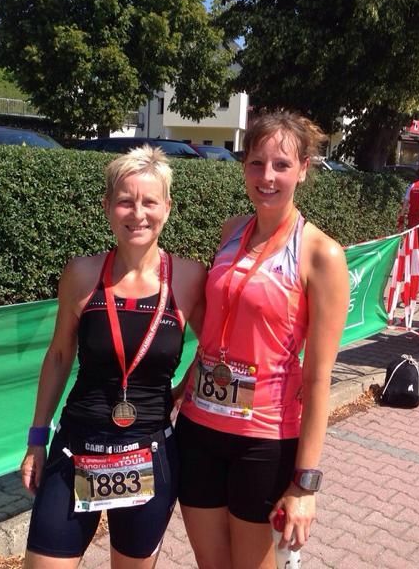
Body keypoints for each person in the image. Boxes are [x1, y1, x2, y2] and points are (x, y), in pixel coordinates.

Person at [174, 112, 350, 568]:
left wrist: (305, 484)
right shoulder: (231, 230)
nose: (267, 176)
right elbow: (221, 326)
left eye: (281, 165)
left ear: (303, 169)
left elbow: (318, 377)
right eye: (256, 163)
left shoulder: (321, 254)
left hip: (264, 440)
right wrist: (187, 378)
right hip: (199, 428)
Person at [20, 146, 206, 568]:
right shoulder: (82, 273)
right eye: (125, 201)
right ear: (107, 207)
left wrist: (181, 391)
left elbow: (216, 348)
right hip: (77, 448)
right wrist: (36, 439)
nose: (138, 213)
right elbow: (60, 354)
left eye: (150, 202)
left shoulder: (189, 277)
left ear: (167, 208)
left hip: (148, 454)